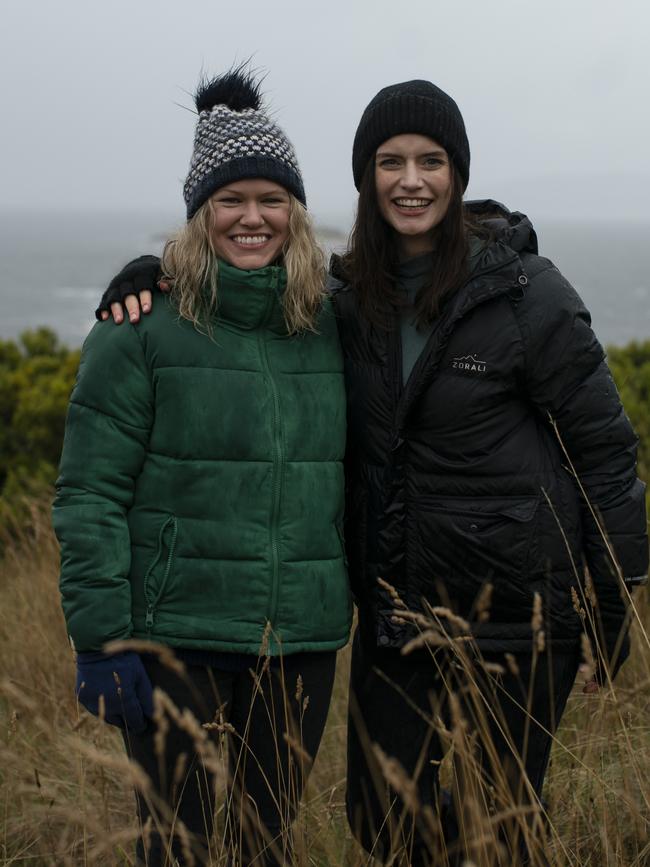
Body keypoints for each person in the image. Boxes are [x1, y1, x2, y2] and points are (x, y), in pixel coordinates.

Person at [95, 80, 648, 865]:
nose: (411, 179)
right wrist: (153, 274)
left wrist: (612, 598)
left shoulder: (529, 293)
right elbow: (246, 285)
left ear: (456, 173)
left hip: (521, 619)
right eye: (390, 161)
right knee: (380, 814)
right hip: (396, 613)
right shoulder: (345, 297)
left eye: (431, 160)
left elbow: (605, 450)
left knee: (508, 824)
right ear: (367, 177)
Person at [53, 66, 351, 867]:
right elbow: (89, 494)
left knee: (267, 844)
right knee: (176, 846)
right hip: (175, 637)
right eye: (231, 201)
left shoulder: (331, 320)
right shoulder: (138, 330)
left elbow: (425, 281)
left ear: (297, 211)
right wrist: (102, 639)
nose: (252, 218)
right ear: (199, 215)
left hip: (301, 638)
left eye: (272, 200)